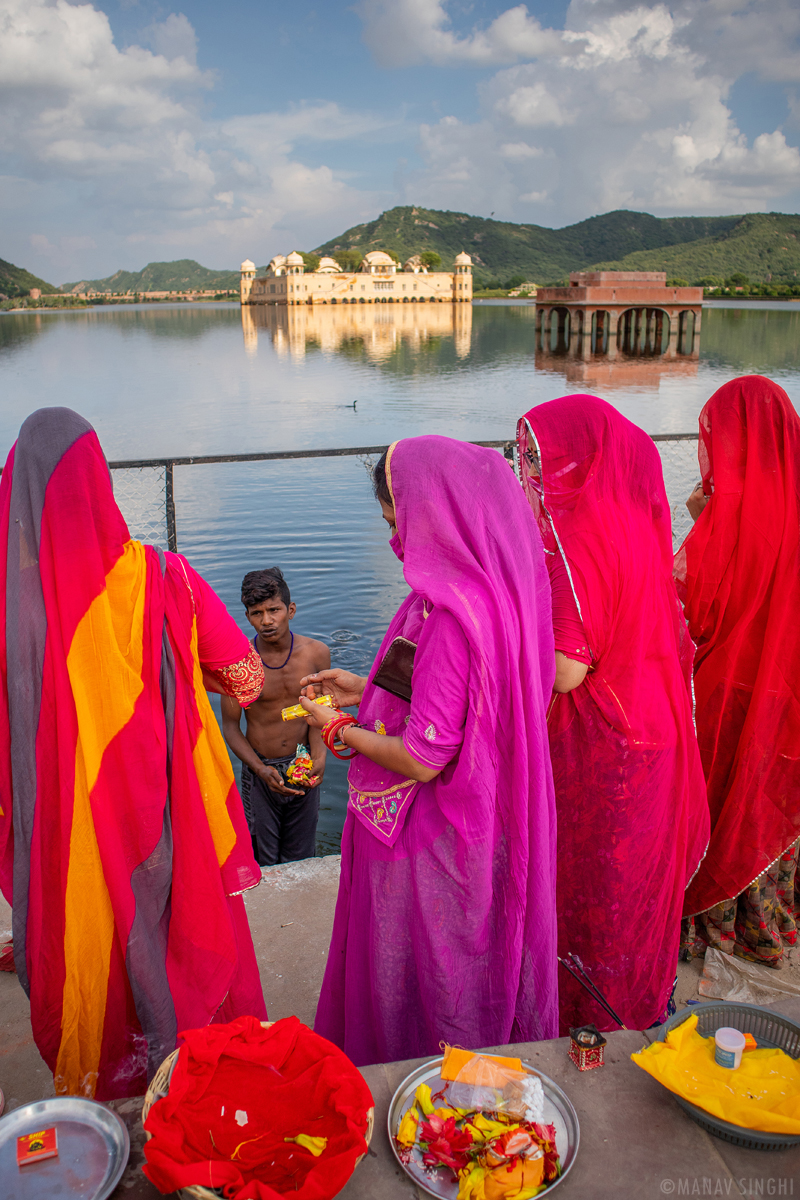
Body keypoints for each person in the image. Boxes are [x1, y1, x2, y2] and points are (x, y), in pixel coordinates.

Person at [0, 408, 268, 1100]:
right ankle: (191, 1083)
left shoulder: (9, 608)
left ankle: (110, 1086)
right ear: (99, 482)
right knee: (173, 938)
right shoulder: (161, 578)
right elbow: (247, 678)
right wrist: (181, 666)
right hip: (164, 816)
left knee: (93, 943)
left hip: (65, 828)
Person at [298, 436, 559, 1067]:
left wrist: (336, 729)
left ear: (434, 514)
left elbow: (422, 758)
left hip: (435, 834)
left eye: (399, 523)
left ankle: (416, 1066)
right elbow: (457, 701)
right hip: (487, 813)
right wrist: (364, 686)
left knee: (426, 967)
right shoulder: (495, 596)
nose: (395, 542)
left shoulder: (448, 617)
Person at [517, 395, 709, 1032]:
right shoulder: (634, 521)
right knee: (630, 890)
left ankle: (590, 1019)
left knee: (596, 891)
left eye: (535, 458)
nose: (527, 475)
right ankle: (640, 1003)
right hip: (648, 725)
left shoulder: (575, 545)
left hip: (604, 750)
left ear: (577, 462)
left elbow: (567, 669)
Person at [677, 376, 800, 966]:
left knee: (720, 797)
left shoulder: (730, 512)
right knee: (767, 796)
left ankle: (713, 923)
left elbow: (693, 606)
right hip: (787, 686)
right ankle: (768, 923)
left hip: (728, 681)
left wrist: (699, 517)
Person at [222, 568, 330, 866]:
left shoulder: (315, 654)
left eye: (274, 610)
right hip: (261, 772)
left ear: (290, 610)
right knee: (263, 860)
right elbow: (231, 727)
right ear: (247, 617)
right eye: (257, 613)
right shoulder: (238, 663)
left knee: (302, 856)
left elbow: (319, 713)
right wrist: (259, 769)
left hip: (304, 764)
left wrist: (319, 759)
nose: (267, 621)